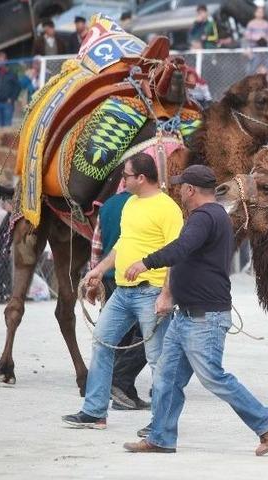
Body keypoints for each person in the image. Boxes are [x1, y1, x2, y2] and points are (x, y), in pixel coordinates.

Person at [122, 165, 268, 455]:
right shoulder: (212, 216)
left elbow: (180, 249)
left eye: (181, 186)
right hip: (187, 316)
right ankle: (161, 438)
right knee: (167, 378)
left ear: (190, 190)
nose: (179, 191)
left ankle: (266, 421)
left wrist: (145, 262)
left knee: (212, 377)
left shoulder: (204, 217)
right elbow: (188, 258)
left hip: (204, 318)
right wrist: (170, 294)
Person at [62, 153, 183, 429]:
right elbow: (122, 245)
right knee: (101, 343)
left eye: (126, 175)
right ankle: (95, 412)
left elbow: (177, 255)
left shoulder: (168, 209)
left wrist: (167, 294)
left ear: (141, 178)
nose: (122, 180)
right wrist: (98, 269)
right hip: (122, 292)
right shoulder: (130, 204)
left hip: (152, 292)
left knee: (158, 359)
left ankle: (162, 425)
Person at [89, 190, 150, 410]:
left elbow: (96, 246)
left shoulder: (107, 206)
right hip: (136, 278)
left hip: (107, 278)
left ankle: (117, 391)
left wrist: (94, 277)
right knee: (146, 337)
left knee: (112, 338)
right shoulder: (146, 204)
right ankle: (120, 383)